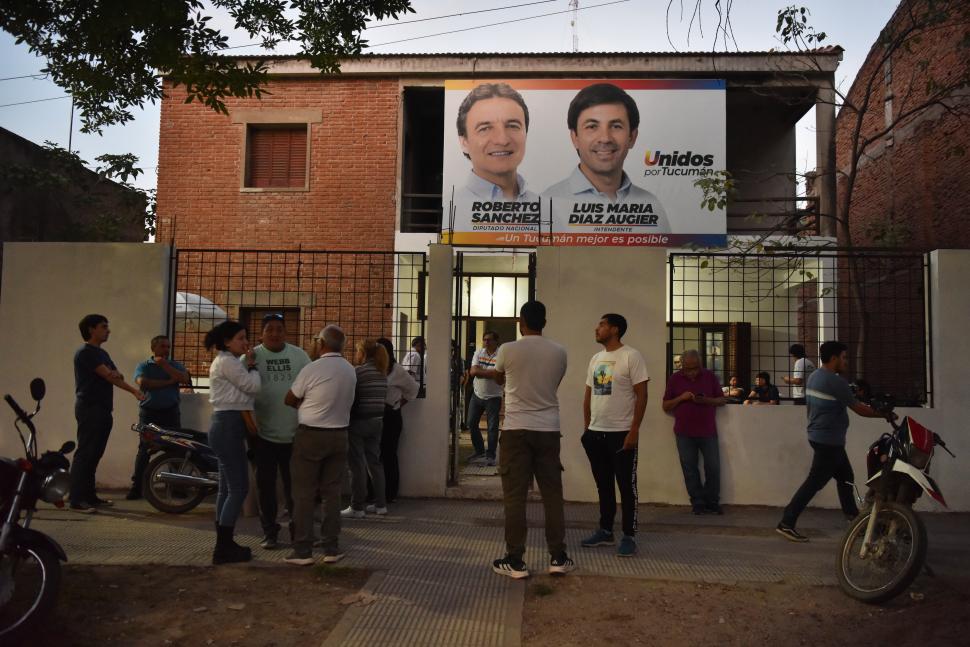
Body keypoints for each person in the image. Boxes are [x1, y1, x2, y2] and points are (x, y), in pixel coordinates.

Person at [776, 342, 892, 542]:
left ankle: (853, 519)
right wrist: (884, 415)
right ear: (834, 358)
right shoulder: (834, 381)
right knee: (814, 482)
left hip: (820, 437)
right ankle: (787, 522)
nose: (846, 361)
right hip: (828, 441)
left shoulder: (815, 377)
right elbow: (859, 408)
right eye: (844, 357)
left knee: (845, 476)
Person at [491, 301, 573, 579]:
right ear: (544, 322)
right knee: (552, 495)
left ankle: (515, 560)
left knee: (514, 497)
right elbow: (553, 385)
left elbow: (500, 378)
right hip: (549, 428)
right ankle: (558, 557)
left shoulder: (507, 349)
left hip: (515, 429)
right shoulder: (559, 352)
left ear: (520, 321)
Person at [542, 83, 669, 230]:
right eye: (592, 126)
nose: (605, 138)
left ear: (632, 137)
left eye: (616, 126)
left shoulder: (651, 205)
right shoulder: (547, 205)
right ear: (574, 137)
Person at [283, 325, 357, 566]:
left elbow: (289, 398)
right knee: (332, 494)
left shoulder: (311, 368)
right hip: (339, 435)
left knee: (304, 494)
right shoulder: (349, 370)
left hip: (311, 435)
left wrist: (306, 404)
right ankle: (331, 548)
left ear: (321, 343)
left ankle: (303, 551)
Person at [580, 314, 649, 557]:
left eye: (602, 325)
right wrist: (588, 428)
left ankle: (629, 535)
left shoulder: (632, 356)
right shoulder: (596, 358)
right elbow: (589, 395)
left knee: (626, 487)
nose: (597, 328)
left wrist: (634, 430)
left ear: (615, 329)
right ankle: (606, 530)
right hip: (596, 433)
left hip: (621, 434)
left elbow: (642, 395)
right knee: (604, 485)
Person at [70, 314, 144, 513]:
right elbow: (109, 375)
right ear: (91, 329)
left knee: (95, 453)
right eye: (103, 327)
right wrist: (114, 374)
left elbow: (117, 376)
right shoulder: (85, 353)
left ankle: (89, 496)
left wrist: (134, 391)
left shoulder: (102, 354)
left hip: (103, 409)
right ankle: (76, 499)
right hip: (89, 408)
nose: (108, 330)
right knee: (86, 452)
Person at [249, 313, 311, 549]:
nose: (274, 334)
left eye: (279, 329)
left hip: (295, 435)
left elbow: (310, 387)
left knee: (295, 488)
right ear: (262, 333)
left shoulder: (299, 355)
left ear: (286, 332)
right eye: (269, 330)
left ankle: (299, 533)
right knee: (265, 487)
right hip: (262, 436)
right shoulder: (253, 356)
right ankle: (270, 533)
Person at [205, 320, 261, 565]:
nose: (246, 342)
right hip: (228, 425)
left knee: (226, 488)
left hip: (224, 424)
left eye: (246, 337)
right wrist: (254, 367)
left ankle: (224, 543)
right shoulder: (228, 361)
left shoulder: (226, 361)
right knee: (239, 488)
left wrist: (246, 365)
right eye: (240, 338)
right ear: (227, 341)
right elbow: (253, 386)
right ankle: (223, 547)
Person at [661, 349, 726, 515]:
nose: (692, 372)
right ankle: (697, 502)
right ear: (682, 365)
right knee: (689, 468)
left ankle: (712, 501)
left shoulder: (709, 376)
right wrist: (681, 398)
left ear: (700, 364)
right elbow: (666, 406)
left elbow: (722, 400)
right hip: (684, 433)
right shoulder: (675, 379)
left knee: (713, 467)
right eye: (688, 368)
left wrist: (706, 400)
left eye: (695, 368)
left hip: (708, 431)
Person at [127, 334, 190, 500]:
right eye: (162, 346)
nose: (166, 350)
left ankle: (177, 486)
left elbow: (184, 379)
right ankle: (137, 487)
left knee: (176, 449)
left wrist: (165, 366)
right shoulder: (144, 366)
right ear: (153, 348)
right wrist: (169, 382)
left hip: (170, 413)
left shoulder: (174, 365)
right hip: (149, 414)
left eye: (168, 346)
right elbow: (143, 382)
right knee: (144, 449)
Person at [453, 82, 538, 203]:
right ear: (464, 142)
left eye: (512, 126)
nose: (502, 140)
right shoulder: (453, 208)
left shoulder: (548, 209)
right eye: (485, 128)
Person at [342, 339, 390, 518]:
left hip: (358, 422)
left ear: (363, 352)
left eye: (357, 351)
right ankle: (381, 505)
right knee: (375, 463)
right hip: (377, 421)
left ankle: (357, 507)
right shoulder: (382, 374)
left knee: (356, 465)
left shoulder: (358, 372)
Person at [377, 337, 419, 503]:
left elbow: (413, 390)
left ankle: (390, 493)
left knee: (389, 455)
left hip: (390, 417)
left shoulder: (397, 370)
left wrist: (397, 404)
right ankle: (373, 492)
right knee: (373, 456)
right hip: (373, 415)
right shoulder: (373, 368)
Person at [466, 330, 503, 466]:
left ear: (496, 341)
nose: (486, 342)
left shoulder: (501, 354)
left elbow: (499, 374)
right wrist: (491, 373)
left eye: (489, 340)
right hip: (477, 395)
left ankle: (491, 456)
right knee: (471, 423)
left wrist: (481, 372)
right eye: (484, 339)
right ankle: (480, 451)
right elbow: (473, 372)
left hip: (494, 397)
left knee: (492, 427)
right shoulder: (479, 352)